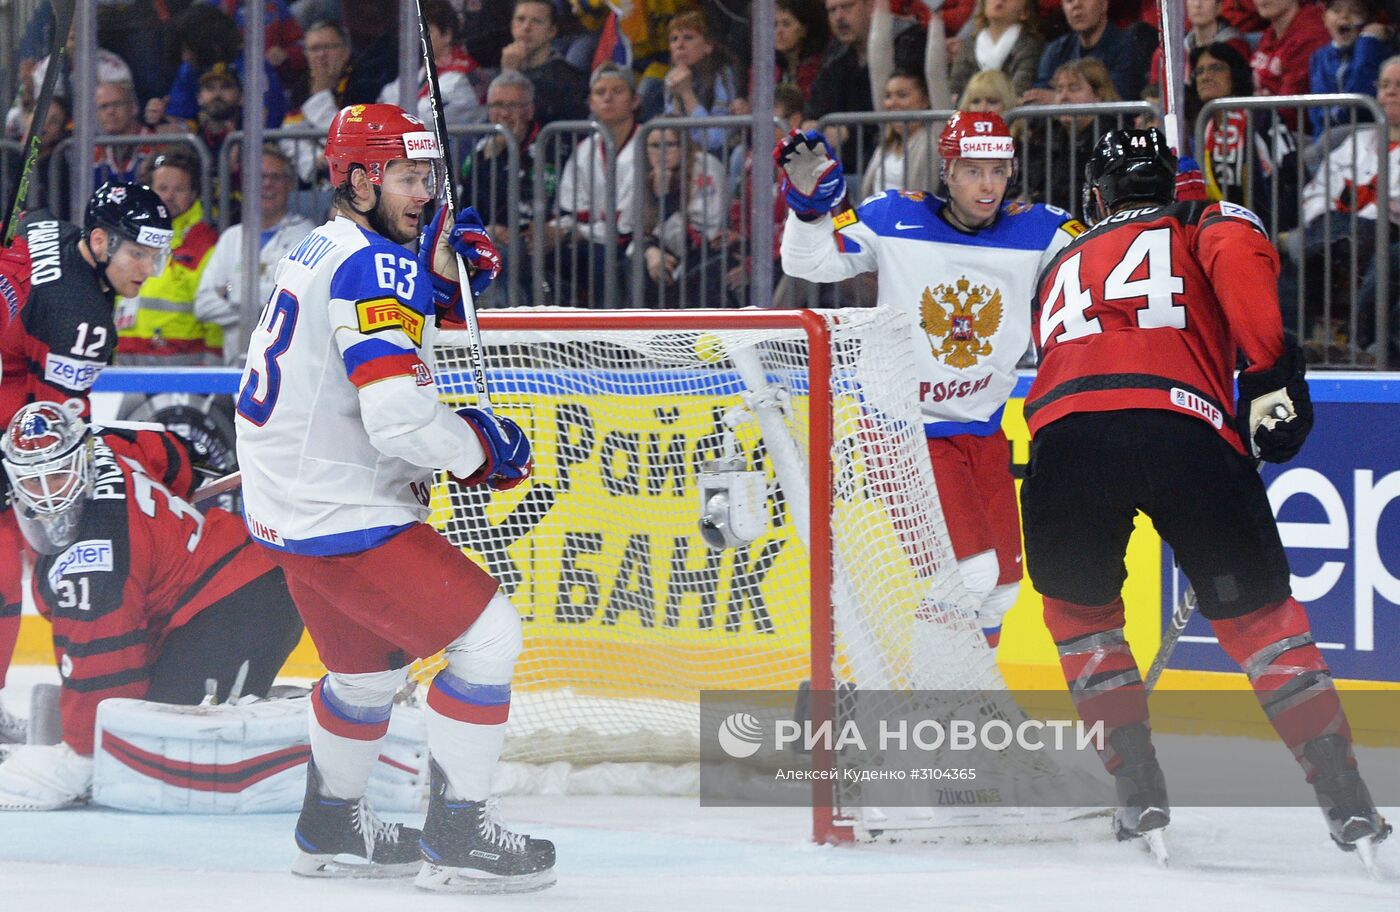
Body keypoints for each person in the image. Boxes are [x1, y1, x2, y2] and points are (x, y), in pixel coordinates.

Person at [1022, 126, 1391, 859]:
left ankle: (1137, 796)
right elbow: (1244, 276)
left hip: (1062, 439)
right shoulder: (1205, 218)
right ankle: (1345, 800)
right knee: (1262, 624)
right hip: (1180, 427)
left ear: (1097, 196)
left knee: (1082, 620)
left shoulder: (1061, 254)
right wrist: (1269, 376)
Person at [234, 102, 553, 891]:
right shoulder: (372, 266)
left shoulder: (323, 246)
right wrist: (480, 449)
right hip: (342, 508)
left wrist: (435, 286)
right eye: (410, 178)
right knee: (489, 639)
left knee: (367, 678)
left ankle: (331, 825)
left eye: (428, 177)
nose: (425, 195)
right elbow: (400, 415)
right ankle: (460, 834)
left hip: (289, 509)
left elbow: (359, 337)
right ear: (358, 179)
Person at [779, 111, 1086, 646]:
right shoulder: (892, 216)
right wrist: (808, 212)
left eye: (997, 169)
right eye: (971, 170)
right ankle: (935, 704)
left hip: (982, 430)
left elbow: (1109, 259)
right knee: (965, 577)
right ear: (946, 172)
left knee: (1003, 588)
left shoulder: (1042, 228)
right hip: (903, 429)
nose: (986, 184)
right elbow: (811, 266)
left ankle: (969, 695)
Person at [0, 402, 303, 812]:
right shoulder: (106, 441)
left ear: (81, 458)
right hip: (213, 597)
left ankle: (330, 738)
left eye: (57, 474)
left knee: (161, 753)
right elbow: (167, 450)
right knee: (157, 729)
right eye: (34, 482)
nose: (50, 493)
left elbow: (108, 671)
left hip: (241, 601)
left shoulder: (97, 554)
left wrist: (81, 754)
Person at [0, 181, 172, 425]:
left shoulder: (43, 224)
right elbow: (57, 429)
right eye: (137, 253)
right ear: (99, 241)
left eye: (155, 256)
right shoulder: (81, 321)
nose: (148, 269)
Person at [195, 146, 316, 364]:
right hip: (236, 368)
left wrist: (232, 294)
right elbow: (203, 306)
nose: (267, 184)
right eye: (259, 177)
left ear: (289, 184)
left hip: (288, 366)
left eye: (275, 177)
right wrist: (265, 303)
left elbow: (296, 305)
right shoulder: (232, 237)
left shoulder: (307, 236)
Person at [546, 63, 642, 308]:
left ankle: (612, 341)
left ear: (635, 100)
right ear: (590, 102)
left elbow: (624, 228)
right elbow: (571, 211)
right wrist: (551, 230)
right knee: (541, 255)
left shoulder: (648, 144)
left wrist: (576, 231)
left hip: (634, 244)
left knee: (603, 261)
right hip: (592, 243)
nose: (608, 98)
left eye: (617, 91)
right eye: (600, 92)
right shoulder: (584, 150)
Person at [115, 152, 221, 365]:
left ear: (193, 194)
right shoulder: (131, 235)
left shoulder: (204, 243)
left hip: (181, 368)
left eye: (179, 189)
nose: (169, 196)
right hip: (126, 362)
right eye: (162, 188)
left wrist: (213, 373)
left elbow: (215, 315)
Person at [633, 126, 734, 307]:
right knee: (635, 265)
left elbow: (703, 236)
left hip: (707, 252)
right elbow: (631, 229)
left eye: (670, 145)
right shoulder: (643, 171)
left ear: (684, 145)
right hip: (664, 251)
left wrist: (664, 197)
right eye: (655, 146)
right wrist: (651, 251)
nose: (662, 152)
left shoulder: (705, 165)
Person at [1020, 58, 1120, 213]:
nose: (1064, 97)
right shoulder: (1049, 135)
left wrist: (1035, 201)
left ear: (1099, 95)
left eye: (1073, 89)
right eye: (1059, 90)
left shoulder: (1112, 136)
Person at [1023, 0, 1154, 106]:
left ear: (1104, 4)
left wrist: (1057, 99)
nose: (1076, 5)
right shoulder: (1056, 50)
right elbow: (1037, 98)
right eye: (1069, 1)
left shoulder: (1128, 46)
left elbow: (1116, 98)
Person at [377, 0, 484, 129]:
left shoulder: (462, 74)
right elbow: (385, 99)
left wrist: (394, 114)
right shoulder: (423, 70)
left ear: (447, 35)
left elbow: (423, 116)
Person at [663, 11, 742, 157]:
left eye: (688, 38)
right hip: (686, 158)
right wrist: (676, 99)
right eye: (674, 39)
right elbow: (672, 134)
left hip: (721, 158)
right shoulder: (671, 77)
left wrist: (687, 93)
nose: (680, 45)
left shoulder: (723, 75)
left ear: (708, 46)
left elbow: (714, 140)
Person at [500, 0, 590, 127]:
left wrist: (510, 77)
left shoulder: (567, 79)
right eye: (520, 19)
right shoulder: (506, 68)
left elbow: (533, 117)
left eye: (536, 21)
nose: (526, 27)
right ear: (512, 25)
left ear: (551, 31)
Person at [1309, 0, 1392, 135]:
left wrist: (1367, 42)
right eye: (1336, 10)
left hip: (1366, 134)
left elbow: (1363, 97)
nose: (1344, 16)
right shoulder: (1319, 56)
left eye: (1355, 12)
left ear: (1370, 21)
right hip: (1326, 138)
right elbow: (1317, 110)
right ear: (1324, 18)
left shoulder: (1374, 51)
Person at [860, 70, 940, 197]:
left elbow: (936, 73)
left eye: (902, 95)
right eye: (888, 96)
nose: (892, 103)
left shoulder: (934, 138)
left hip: (909, 215)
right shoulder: (887, 143)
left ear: (925, 101)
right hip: (874, 214)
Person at [950, 0, 1045, 103]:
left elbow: (1021, 88)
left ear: (1024, 12)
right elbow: (956, 89)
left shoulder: (1030, 45)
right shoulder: (969, 44)